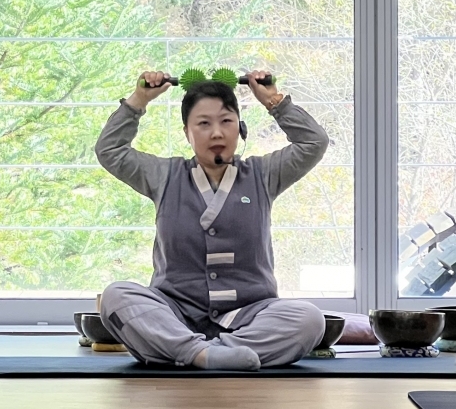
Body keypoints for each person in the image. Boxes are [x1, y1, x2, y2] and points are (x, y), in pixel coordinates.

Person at [95, 70, 330, 370]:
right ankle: (204, 354)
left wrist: (273, 100)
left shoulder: (263, 175)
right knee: (116, 296)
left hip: (249, 316)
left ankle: (198, 352)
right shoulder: (164, 176)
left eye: (226, 121)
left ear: (240, 129)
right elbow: (109, 150)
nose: (216, 133)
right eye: (203, 124)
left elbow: (314, 142)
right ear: (187, 133)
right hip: (176, 314)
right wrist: (139, 100)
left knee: (309, 319)